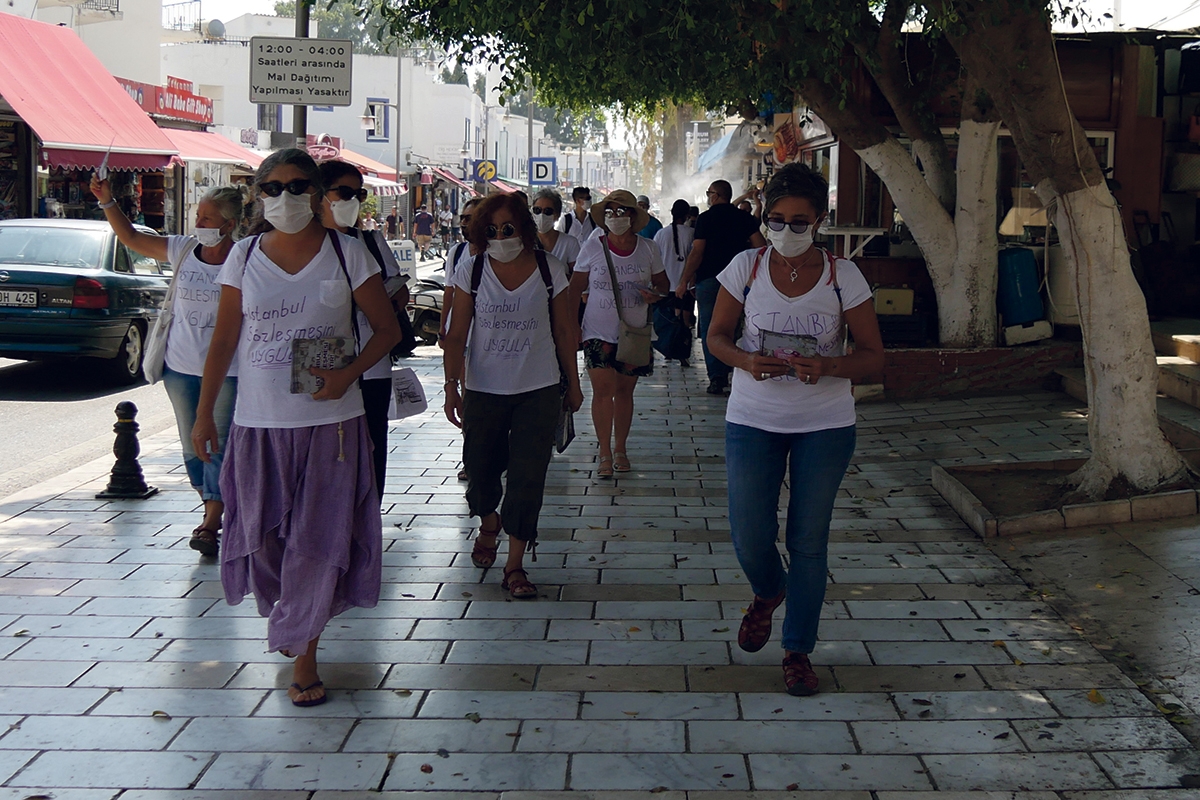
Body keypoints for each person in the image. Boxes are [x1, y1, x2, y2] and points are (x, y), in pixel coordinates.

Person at [191, 148, 401, 708]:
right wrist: (204, 414)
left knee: (316, 541)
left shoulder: (348, 252)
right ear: (259, 195)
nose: (285, 197)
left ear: (315, 191)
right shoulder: (243, 255)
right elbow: (223, 341)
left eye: (297, 185)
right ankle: (294, 617)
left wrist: (349, 374)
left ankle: (306, 655)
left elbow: (386, 329)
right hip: (258, 425)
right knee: (262, 542)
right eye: (273, 187)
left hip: (332, 425)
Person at [706, 163, 883, 696]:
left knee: (808, 539)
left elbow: (874, 358)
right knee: (749, 533)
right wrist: (743, 359)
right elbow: (714, 336)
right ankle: (768, 589)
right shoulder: (746, 267)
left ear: (820, 221)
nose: (786, 231)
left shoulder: (843, 276)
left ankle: (797, 650)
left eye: (799, 221)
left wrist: (829, 366)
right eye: (776, 219)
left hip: (824, 424)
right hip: (753, 419)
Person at [90, 176, 244, 557]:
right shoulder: (184, 249)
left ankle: (211, 521)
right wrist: (108, 202)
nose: (200, 224)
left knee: (218, 441)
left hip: (228, 370)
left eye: (208, 218)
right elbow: (132, 239)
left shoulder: (244, 258)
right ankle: (213, 501)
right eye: (199, 215)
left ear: (229, 224)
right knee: (193, 442)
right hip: (179, 365)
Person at [442, 193, 583, 599]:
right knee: (480, 470)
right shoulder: (471, 270)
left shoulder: (550, 268)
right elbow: (455, 336)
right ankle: (489, 522)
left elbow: (564, 331)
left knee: (527, 478)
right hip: (484, 390)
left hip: (537, 390)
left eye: (508, 228)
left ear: (523, 227)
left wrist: (572, 384)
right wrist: (452, 387)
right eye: (491, 231)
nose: (501, 237)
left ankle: (515, 563)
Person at [318, 159, 409, 501]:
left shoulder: (368, 243)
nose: (352, 200)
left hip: (372, 366)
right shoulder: (303, 246)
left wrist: (379, 306)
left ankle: (367, 515)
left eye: (359, 193)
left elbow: (399, 291)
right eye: (344, 192)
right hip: (321, 365)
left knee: (371, 446)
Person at [569, 189, 669, 478]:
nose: (615, 217)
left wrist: (656, 295)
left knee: (624, 392)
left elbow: (663, 284)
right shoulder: (592, 247)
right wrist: (572, 326)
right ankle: (604, 452)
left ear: (633, 216)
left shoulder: (648, 248)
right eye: (610, 212)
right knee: (602, 391)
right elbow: (575, 288)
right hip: (596, 331)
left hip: (634, 333)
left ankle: (621, 448)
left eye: (621, 212)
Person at [677, 179, 766, 395]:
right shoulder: (744, 218)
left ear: (715, 196)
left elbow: (697, 251)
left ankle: (716, 377)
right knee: (736, 326)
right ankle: (731, 369)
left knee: (711, 328)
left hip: (710, 279)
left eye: (709, 193)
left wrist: (684, 280)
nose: (708, 197)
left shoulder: (706, 219)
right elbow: (761, 246)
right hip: (740, 281)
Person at [532, 188, 581, 270]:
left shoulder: (570, 243)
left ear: (557, 215)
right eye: (537, 210)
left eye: (548, 211)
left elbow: (576, 275)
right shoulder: (524, 242)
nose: (541, 215)